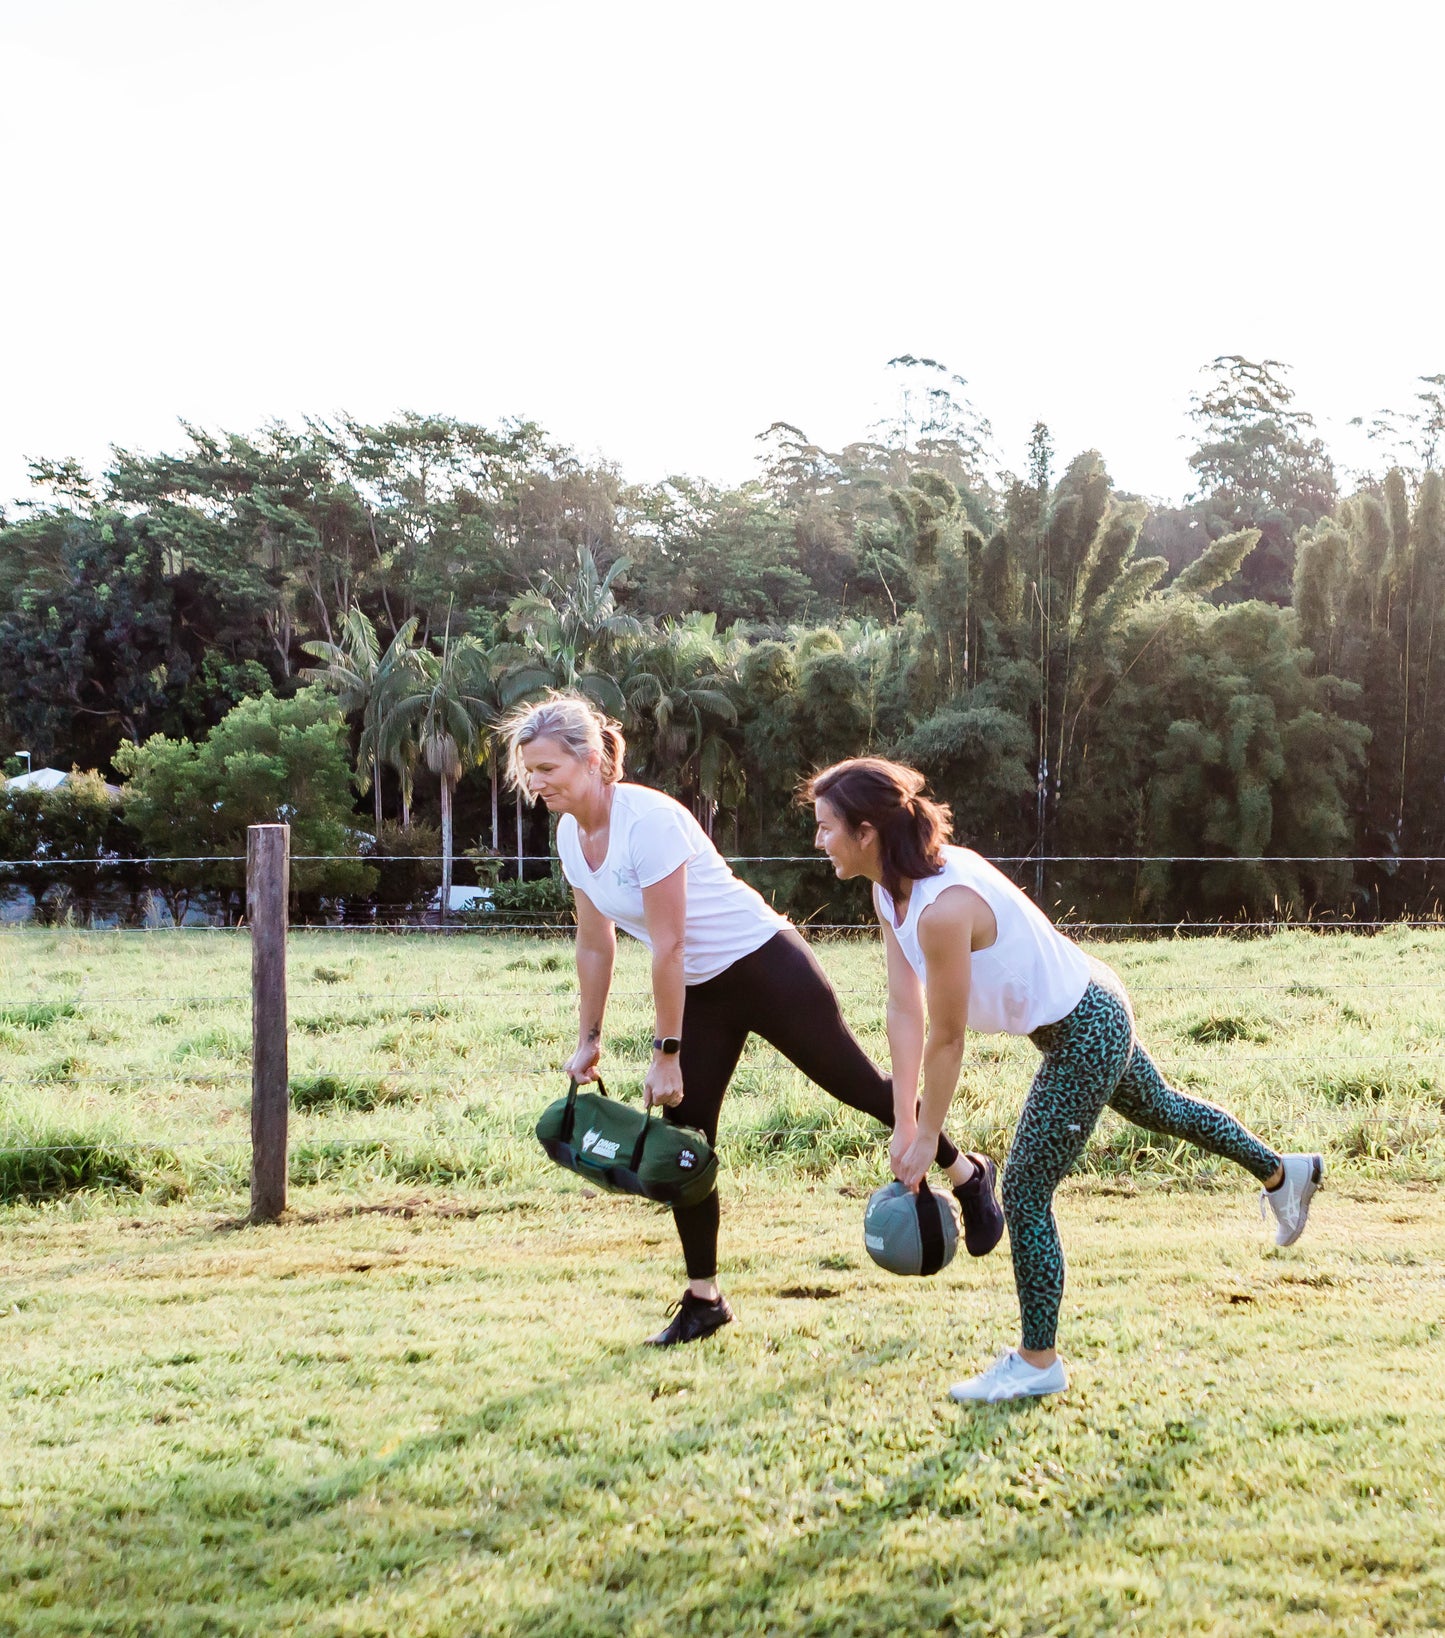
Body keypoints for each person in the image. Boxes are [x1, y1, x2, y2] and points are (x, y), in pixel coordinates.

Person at [807, 755, 1323, 1403]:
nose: (818, 841)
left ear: (866, 832)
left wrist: (929, 1133)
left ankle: (1037, 1360)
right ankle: (1283, 1173)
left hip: (1085, 1026)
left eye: (825, 827)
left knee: (1023, 1190)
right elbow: (903, 1007)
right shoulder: (891, 891)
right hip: (1083, 1007)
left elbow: (946, 1036)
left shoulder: (941, 908)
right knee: (1161, 1108)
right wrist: (906, 1123)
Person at [503, 692, 1004, 1347]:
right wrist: (587, 1040)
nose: (536, 783)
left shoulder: (648, 821)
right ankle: (703, 1299)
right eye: (530, 772)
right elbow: (595, 943)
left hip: (765, 964)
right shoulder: (571, 837)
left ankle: (967, 1173)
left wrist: (665, 1053)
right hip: (701, 992)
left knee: (859, 1086)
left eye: (547, 769)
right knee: (687, 1143)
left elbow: (669, 944)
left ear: (592, 760)